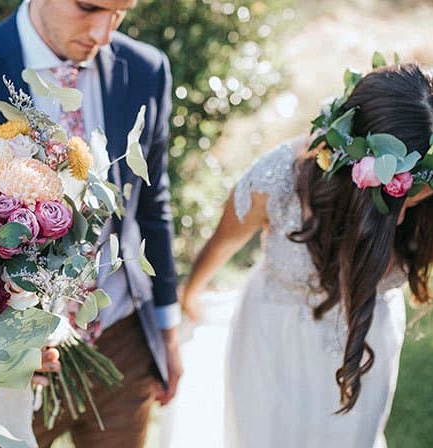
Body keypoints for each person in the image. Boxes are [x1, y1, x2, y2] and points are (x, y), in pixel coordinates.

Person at [0, 1, 183, 447]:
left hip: (122, 339)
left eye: (119, 12)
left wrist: (167, 333)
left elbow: (153, 204)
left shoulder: (146, 70)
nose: (102, 32)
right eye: (89, 7)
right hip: (11, 364)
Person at [181, 61, 433, 448]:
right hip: (273, 342)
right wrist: (191, 293)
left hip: (369, 339)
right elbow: (223, 242)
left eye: (414, 200)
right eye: (392, 198)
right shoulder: (278, 179)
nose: (401, 218)